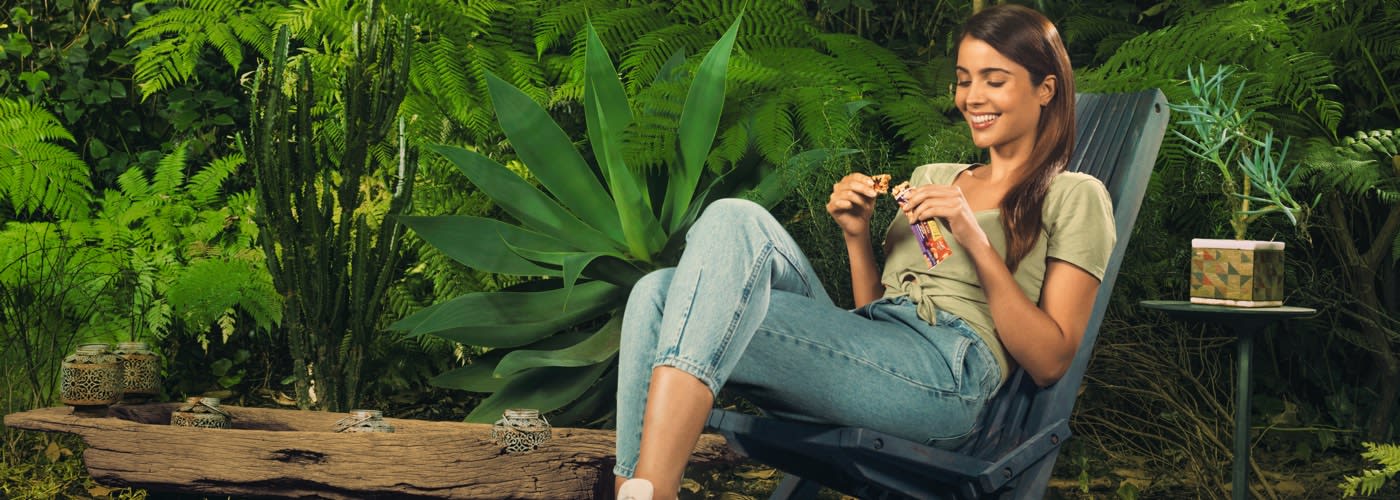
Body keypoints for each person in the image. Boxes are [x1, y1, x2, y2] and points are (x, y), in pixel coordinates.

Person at [612, 4, 1115, 499]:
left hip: (945, 378)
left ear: (1045, 88)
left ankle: (651, 492)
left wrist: (974, 237)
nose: (973, 96)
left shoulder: (1075, 195)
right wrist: (857, 235)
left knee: (689, 269)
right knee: (666, 280)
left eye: (994, 79)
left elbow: (1050, 360)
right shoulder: (934, 179)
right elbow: (876, 312)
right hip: (883, 346)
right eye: (964, 80)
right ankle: (641, 490)